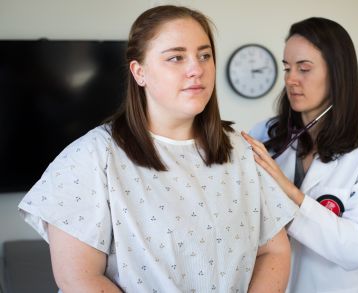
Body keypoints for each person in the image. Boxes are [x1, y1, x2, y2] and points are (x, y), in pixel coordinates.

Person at [18, 5, 297, 293]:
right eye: (176, 58)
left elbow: (273, 252)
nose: (196, 69)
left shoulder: (239, 151)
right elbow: (79, 278)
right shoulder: (90, 158)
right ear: (139, 73)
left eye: (204, 55)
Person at [242, 17, 358, 293]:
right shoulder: (266, 134)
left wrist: (289, 192)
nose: (291, 79)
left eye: (304, 69)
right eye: (287, 68)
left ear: (337, 73)